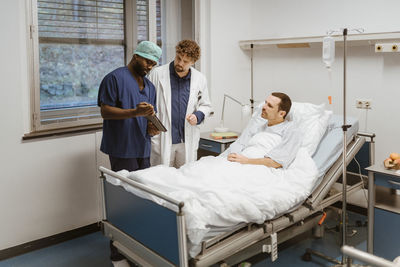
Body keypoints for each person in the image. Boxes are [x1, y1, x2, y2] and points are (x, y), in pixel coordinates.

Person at [97, 40, 162, 267]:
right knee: (123, 204)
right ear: (136, 56)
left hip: (142, 148)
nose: (150, 67)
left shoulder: (150, 88)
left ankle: (138, 249)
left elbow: (147, 120)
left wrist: (152, 126)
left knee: (141, 201)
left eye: (153, 64)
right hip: (122, 147)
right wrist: (134, 112)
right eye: (147, 61)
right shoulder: (114, 78)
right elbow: (105, 111)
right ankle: (117, 255)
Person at [148, 40, 213, 168]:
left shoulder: (200, 79)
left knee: (185, 177)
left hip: (186, 139)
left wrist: (198, 115)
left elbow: (206, 105)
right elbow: (147, 103)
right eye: (178, 58)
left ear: (193, 62)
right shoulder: (157, 74)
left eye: (185, 61)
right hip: (163, 138)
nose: (180, 63)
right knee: (161, 180)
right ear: (176, 53)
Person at [227, 92, 302, 169]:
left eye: (269, 106)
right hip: (238, 162)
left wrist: (247, 161)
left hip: (260, 167)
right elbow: (240, 143)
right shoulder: (258, 126)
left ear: (281, 114)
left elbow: (277, 162)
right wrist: (234, 156)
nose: (263, 107)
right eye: (265, 102)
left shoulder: (291, 130)